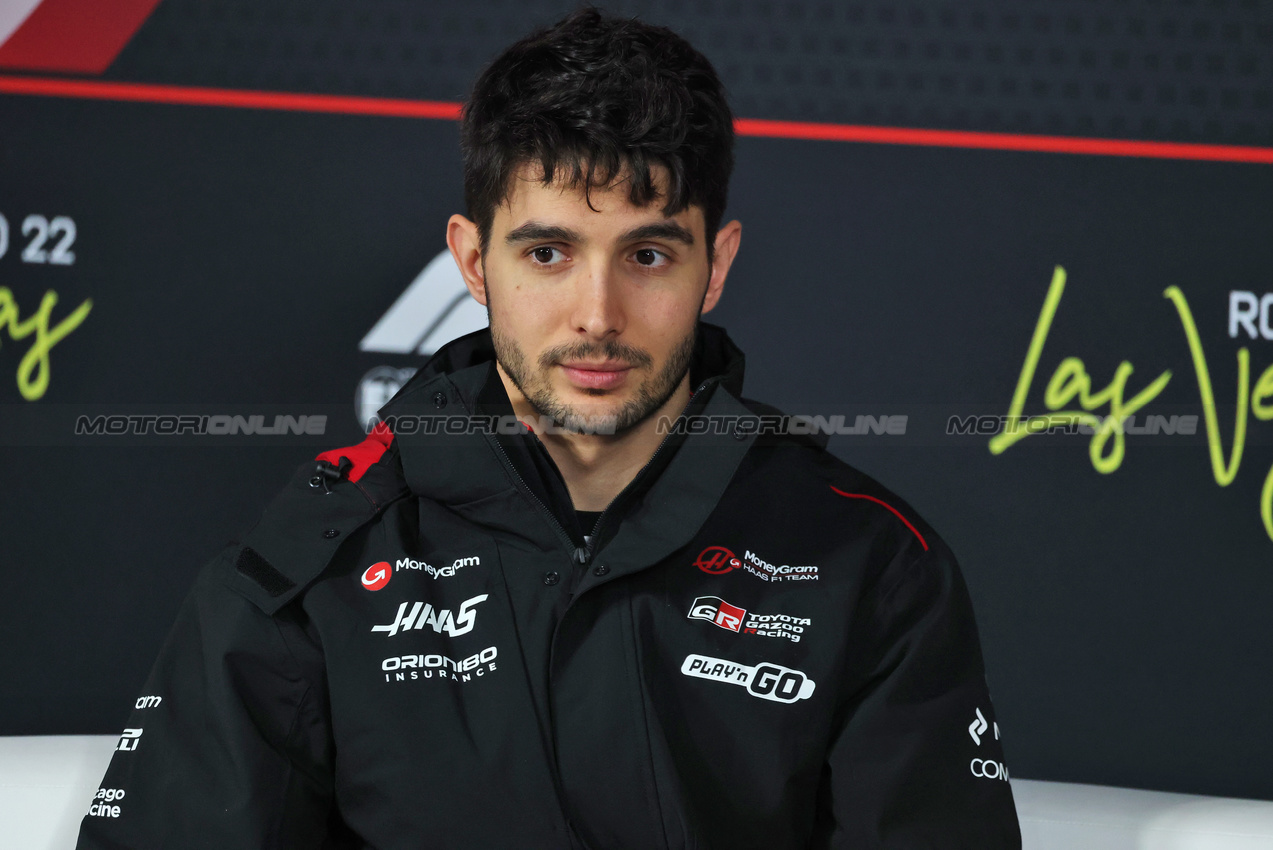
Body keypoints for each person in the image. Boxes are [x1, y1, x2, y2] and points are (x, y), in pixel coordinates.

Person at [77, 9, 1020, 849]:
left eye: (647, 253)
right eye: (548, 252)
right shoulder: (316, 561)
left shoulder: (868, 563)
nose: (597, 313)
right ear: (473, 261)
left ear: (715, 265)